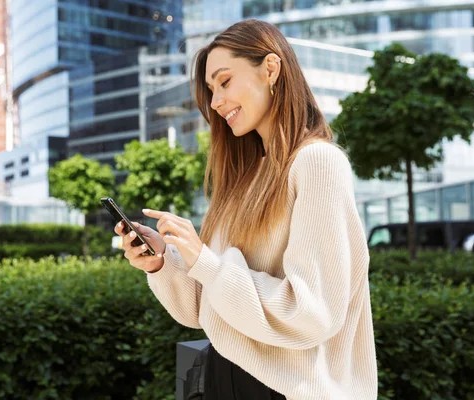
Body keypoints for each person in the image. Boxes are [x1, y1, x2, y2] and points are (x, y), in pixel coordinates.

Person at [114, 19, 378, 400]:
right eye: (210, 90)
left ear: (271, 69)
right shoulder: (244, 181)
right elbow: (204, 308)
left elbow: (312, 312)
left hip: (289, 390)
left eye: (224, 81)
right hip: (226, 377)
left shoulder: (318, 163)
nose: (215, 102)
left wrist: (207, 261)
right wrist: (164, 261)